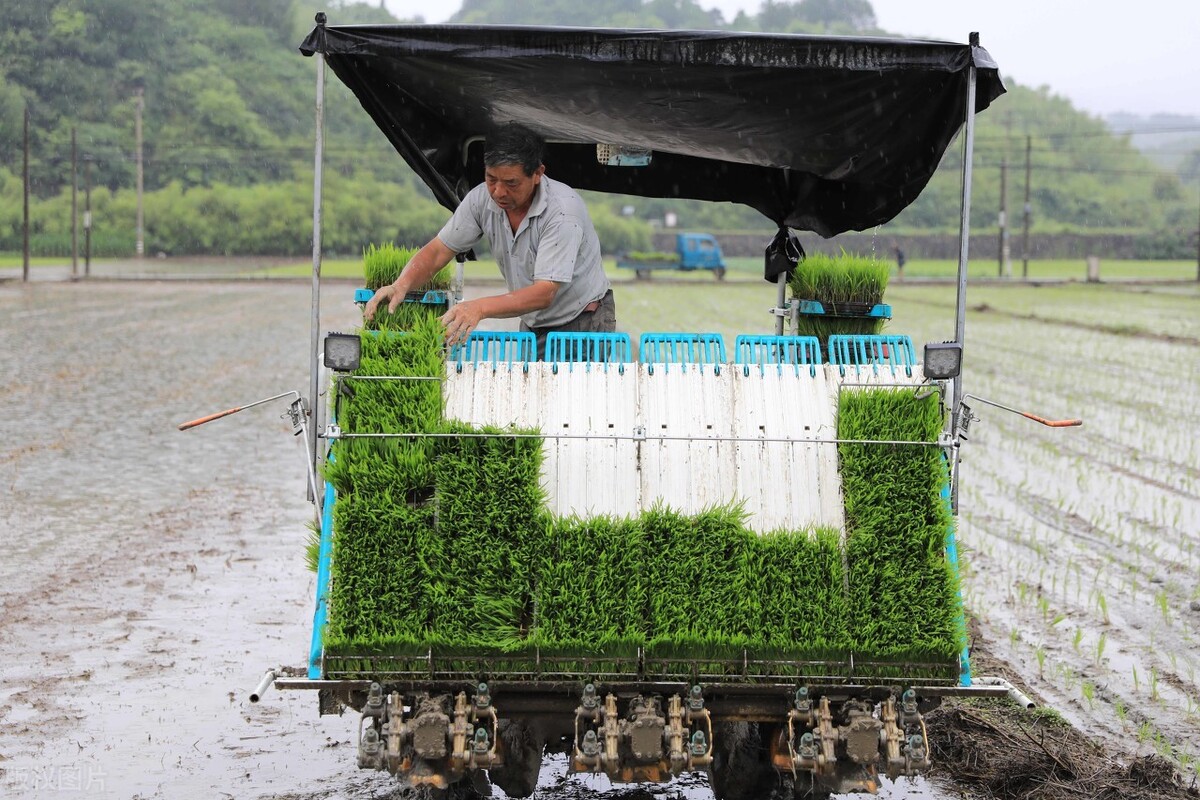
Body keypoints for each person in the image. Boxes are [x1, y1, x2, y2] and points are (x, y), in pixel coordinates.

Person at [364, 124, 615, 359]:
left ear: (538, 174)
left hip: (583, 321)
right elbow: (440, 250)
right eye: (491, 178)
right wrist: (401, 284)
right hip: (533, 323)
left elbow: (544, 293)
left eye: (511, 183)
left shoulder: (562, 213)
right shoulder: (481, 200)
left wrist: (479, 308)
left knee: (574, 400)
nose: (498, 192)